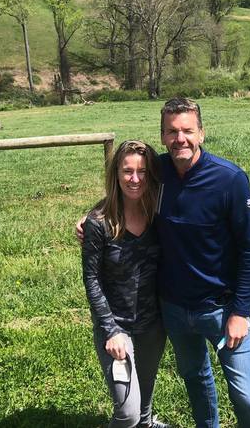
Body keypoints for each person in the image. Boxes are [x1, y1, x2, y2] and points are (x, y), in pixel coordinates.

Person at [78, 98, 250, 428]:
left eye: (187, 130)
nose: (180, 138)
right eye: (172, 131)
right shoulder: (159, 171)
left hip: (222, 309)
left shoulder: (230, 180)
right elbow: (126, 188)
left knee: (247, 398)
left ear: (201, 133)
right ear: (163, 136)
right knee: (196, 380)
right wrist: (91, 218)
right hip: (174, 310)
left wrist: (241, 311)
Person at [82, 140, 169, 428]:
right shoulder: (99, 223)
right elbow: (91, 279)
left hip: (153, 324)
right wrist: (110, 330)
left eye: (142, 171)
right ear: (116, 174)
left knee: (143, 407)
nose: (134, 179)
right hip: (116, 326)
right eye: (127, 171)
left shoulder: (158, 213)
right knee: (128, 414)